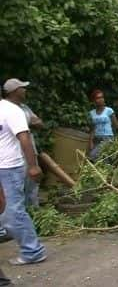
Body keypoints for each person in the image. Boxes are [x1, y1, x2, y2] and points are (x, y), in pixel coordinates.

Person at [0, 79, 47, 265]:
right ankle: (7, 232)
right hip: (3, 167)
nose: (25, 91)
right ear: (14, 91)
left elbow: (24, 137)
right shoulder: (6, 110)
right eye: (22, 88)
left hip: (11, 167)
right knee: (7, 209)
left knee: (14, 210)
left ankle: (32, 251)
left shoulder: (13, 110)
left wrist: (33, 165)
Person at [88, 89, 118, 162]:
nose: (101, 99)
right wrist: (91, 141)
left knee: (93, 156)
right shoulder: (91, 113)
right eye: (98, 98)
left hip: (107, 138)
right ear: (94, 100)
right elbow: (92, 128)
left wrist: (113, 138)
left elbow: (116, 125)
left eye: (102, 97)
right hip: (96, 139)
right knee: (101, 159)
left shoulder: (109, 110)